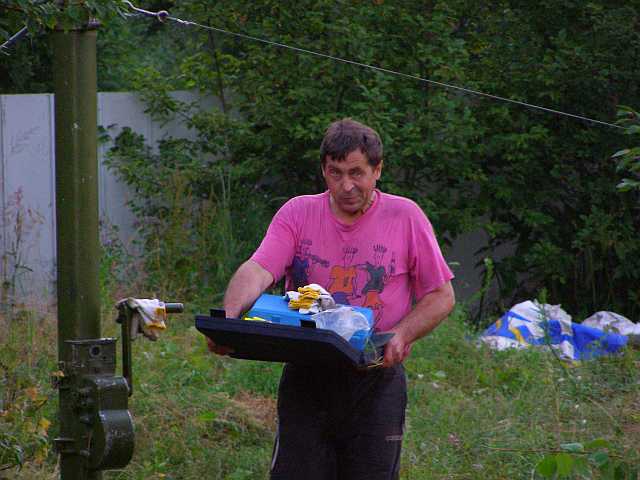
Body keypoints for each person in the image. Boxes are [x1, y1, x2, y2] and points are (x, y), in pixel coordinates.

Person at [208, 118, 455, 480]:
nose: (346, 185)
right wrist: (228, 319)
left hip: (375, 377)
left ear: (377, 170)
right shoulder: (297, 213)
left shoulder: (405, 217)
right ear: (324, 170)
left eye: (357, 173)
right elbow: (259, 269)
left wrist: (402, 335)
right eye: (335, 173)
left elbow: (441, 295)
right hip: (307, 374)